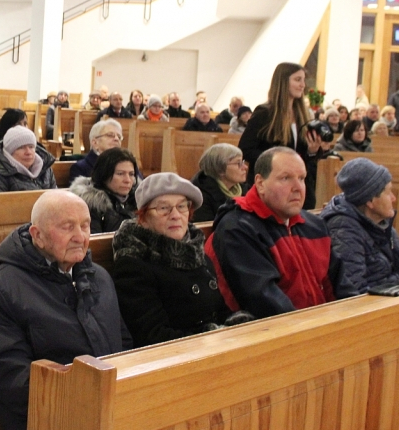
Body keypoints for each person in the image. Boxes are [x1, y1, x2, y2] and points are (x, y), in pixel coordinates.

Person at [0, 191, 131, 430]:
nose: (80, 235)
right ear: (37, 235)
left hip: (112, 411)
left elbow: (123, 344)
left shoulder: (99, 277)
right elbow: (11, 377)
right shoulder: (3, 288)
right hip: (46, 423)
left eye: (85, 225)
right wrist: (87, 406)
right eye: (67, 226)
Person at [206, 147, 355, 319]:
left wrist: (354, 318)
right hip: (271, 335)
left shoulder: (313, 225)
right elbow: (265, 303)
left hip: (318, 327)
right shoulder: (237, 228)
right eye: (286, 178)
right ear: (261, 183)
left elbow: (340, 286)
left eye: (301, 178)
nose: (298, 187)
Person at [112, 172, 251, 349]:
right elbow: (152, 337)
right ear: (144, 218)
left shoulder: (196, 252)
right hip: (176, 361)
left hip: (213, 350)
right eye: (163, 208)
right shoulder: (134, 263)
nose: (175, 215)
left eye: (182, 206)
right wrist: (213, 338)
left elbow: (219, 310)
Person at [238, 62, 329, 209]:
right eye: (297, 80)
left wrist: (313, 151)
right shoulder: (265, 113)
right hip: (273, 186)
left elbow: (305, 158)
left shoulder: (303, 115)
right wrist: (277, 162)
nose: (303, 85)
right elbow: (245, 149)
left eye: (303, 80)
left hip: (298, 187)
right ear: (283, 81)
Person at [322, 159, 399, 294]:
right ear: (370, 201)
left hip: (390, 299)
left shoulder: (381, 224)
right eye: (388, 193)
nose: (393, 198)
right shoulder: (344, 230)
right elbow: (353, 291)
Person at [69, 147, 139, 233]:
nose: (127, 180)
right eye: (120, 174)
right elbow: (94, 243)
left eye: (131, 174)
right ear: (104, 174)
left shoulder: (138, 200)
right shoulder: (91, 204)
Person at [0, 126, 57, 193]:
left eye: (31, 147)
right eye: (21, 147)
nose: (28, 152)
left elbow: (56, 198)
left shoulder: (45, 168)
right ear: (10, 152)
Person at [191, 143, 249, 223]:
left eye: (243, 162)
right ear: (220, 169)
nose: (245, 167)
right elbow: (207, 229)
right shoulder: (201, 194)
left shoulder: (245, 189)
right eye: (238, 163)